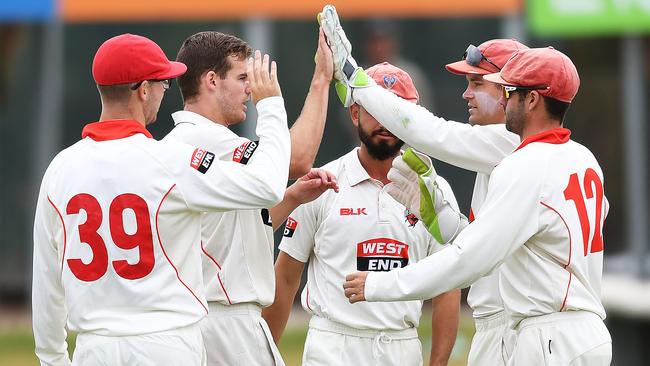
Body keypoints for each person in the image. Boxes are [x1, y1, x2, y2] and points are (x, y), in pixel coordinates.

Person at [32, 33, 291, 366]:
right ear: (142, 89)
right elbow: (268, 186)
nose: (163, 91)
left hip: (93, 348)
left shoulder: (59, 169)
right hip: (166, 344)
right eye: (162, 84)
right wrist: (270, 106)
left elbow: (47, 281)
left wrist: (53, 359)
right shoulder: (172, 161)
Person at [344, 47, 613, 365]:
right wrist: (440, 218)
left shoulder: (524, 162)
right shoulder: (583, 157)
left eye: (509, 90)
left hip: (548, 335)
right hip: (581, 332)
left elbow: (470, 259)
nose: (504, 100)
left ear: (532, 100)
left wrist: (380, 284)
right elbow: (511, 250)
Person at [262, 62, 461, 366]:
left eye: (397, 112)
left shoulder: (434, 189)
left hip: (401, 346)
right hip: (333, 347)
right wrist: (263, 355)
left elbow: (447, 288)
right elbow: (287, 277)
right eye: (375, 110)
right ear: (355, 113)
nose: (385, 122)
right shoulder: (321, 183)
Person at [163, 30, 336, 366]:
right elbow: (297, 159)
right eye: (242, 77)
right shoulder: (204, 140)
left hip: (203, 319)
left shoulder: (189, 142)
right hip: (225, 322)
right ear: (211, 80)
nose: (250, 88)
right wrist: (320, 79)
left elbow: (228, 229)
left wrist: (292, 199)